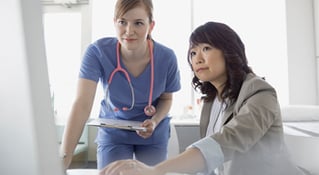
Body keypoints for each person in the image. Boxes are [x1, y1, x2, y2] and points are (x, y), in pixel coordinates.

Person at [99, 21, 306, 175]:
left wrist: (155, 170)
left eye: (206, 48)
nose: (197, 58)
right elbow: (213, 164)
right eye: (192, 52)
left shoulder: (260, 94)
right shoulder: (211, 101)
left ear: (229, 51)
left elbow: (226, 142)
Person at [60, 0, 181, 170]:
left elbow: (167, 99)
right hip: (113, 132)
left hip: (151, 134)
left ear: (151, 26)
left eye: (138, 23)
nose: (129, 31)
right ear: (114, 22)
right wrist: (64, 156)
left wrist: (154, 121)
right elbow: (82, 104)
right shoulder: (97, 52)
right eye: (122, 22)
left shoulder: (167, 58)